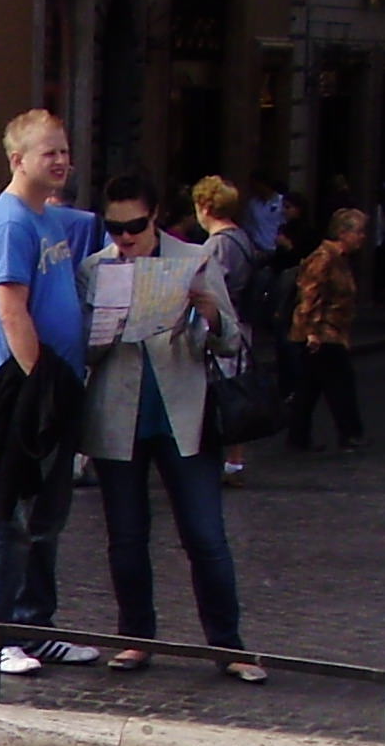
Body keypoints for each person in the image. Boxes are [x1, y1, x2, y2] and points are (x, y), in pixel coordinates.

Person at [81, 172, 260, 684]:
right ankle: (135, 636)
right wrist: (103, 329)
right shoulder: (95, 269)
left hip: (184, 412)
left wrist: (211, 315)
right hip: (119, 413)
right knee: (126, 536)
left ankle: (228, 644)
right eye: (115, 229)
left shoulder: (194, 259)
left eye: (134, 225)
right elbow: (82, 349)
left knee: (205, 535)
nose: (125, 238)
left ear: (155, 215)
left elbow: (229, 343)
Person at [0, 110, 101, 674]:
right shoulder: (12, 222)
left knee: (47, 516)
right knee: (8, 515)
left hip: (58, 386)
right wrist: (39, 384)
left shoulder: (49, 218)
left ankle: (35, 627)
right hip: (27, 394)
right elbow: (10, 307)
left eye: (65, 150)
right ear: (18, 160)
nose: (63, 161)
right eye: (51, 153)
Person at [189, 174, 261, 486]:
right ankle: (235, 460)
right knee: (233, 390)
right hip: (243, 321)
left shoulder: (217, 245)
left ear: (205, 206)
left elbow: (210, 289)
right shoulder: (241, 238)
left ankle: (228, 460)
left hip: (225, 323)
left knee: (222, 393)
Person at [286, 208, 369, 454]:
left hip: (333, 330)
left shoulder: (340, 259)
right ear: (343, 233)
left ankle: (298, 436)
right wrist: (311, 331)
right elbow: (310, 295)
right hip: (323, 332)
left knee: (309, 387)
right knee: (340, 383)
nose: (363, 237)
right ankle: (350, 433)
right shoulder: (323, 258)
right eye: (359, 232)